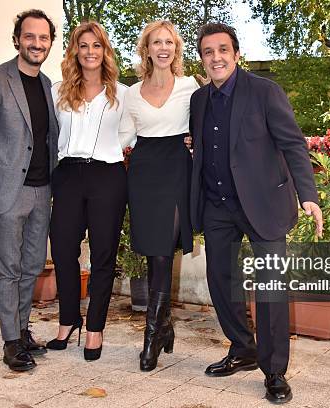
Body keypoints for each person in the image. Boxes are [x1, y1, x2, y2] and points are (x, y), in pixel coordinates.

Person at [189, 23, 323, 404]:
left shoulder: (265, 92)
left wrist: (307, 195)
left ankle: (275, 371)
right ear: (202, 58)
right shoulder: (199, 100)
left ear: (236, 54)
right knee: (220, 281)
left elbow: (293, 145)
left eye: (222, 50)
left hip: (263, 204)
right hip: (217, 206)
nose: (216, 57)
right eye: (208, 52)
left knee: (270, 291)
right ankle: (242, 348)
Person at [0, 9, 58, 372]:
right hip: (5, 194)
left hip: (41, 191)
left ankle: (22, 330)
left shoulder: (47, 84)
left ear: (50, 42)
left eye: (44, 38)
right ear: (17, 39)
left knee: (32, 266)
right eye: (30, 37)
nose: (37, 43)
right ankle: (10, 342)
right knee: (8, 270)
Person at [119, 20, 199, 372]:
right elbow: (124, 135)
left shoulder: (190, 86)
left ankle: (151, 337)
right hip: (144, 171)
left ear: (176, 49)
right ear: (146, 49)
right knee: (155, 253)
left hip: (177, 169)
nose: (163, 48)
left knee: (164, 251)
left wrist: (195, 141)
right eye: (156, 42)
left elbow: (205, 125)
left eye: (169, 42)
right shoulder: (131, 93)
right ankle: (164, 327)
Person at [47, 21, 127, 362]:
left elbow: (141, 133)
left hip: (108, 175)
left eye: (97, 45)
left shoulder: (123, 94)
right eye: (84, 45)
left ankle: (95, 327)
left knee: (104, 255)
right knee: (63, 250)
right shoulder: (57, 91)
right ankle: (68, 320)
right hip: (67, 175)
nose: (90, 52)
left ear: (105, 51)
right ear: (75, 51)